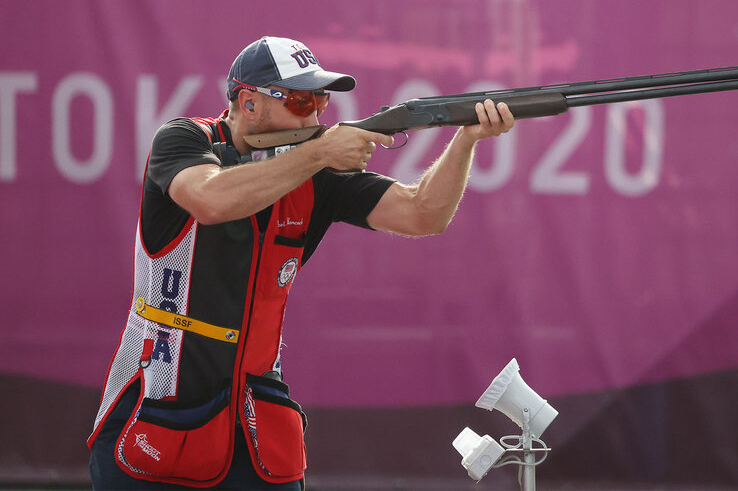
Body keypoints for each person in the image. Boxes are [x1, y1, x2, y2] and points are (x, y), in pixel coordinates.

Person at [87, 36, 514, 489]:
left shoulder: (318, 173)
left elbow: (423, 214)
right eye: (298, 99)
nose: (314, 114)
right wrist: (321, 153)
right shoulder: (185, 138)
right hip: (157, 407)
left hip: (255, 422)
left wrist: (466, 140)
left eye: (320, 99)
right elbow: (210, 199)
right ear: (248, 103)